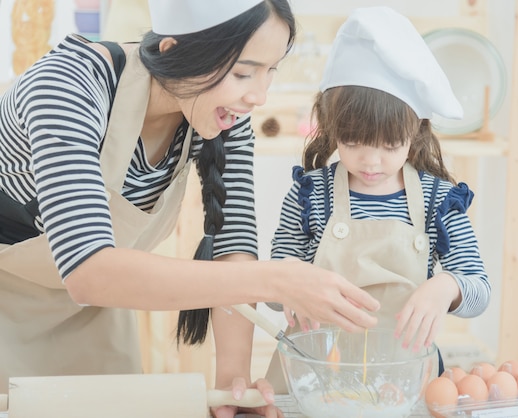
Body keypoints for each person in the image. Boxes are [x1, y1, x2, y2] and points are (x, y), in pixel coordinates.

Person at [0, 0, 381, 416]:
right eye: (242, 72)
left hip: (94, 313)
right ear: (173, 51)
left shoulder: (221, 119)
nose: (258, 95)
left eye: (270, 71)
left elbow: (234, 241)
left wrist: (234, 387)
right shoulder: (68, 86)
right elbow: (89, 270)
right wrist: (278, 280)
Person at [265, 6, 491, 392]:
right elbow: (273, 290)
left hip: (399, 385)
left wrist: (446, 288)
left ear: (415, 131)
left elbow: (479, 291)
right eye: (352, 142)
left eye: (389, 145)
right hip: (315, 379)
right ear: (331, 126)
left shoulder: (439, 200)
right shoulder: (310, 195)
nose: (370, 161)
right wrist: (287, 288)